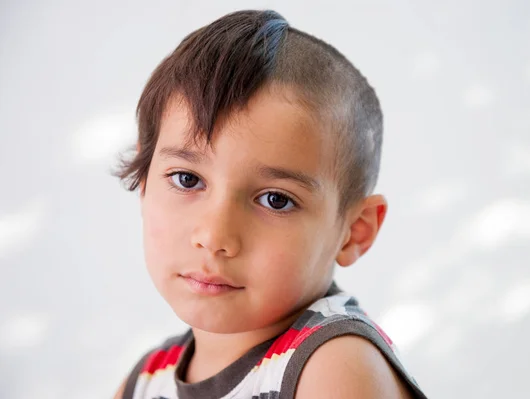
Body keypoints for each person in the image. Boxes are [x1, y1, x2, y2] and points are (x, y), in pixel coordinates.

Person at [113, 9, 427, 399]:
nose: (214, 236)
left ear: (353, 232)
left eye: (276, 200)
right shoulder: (145, 380)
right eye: (187, 179)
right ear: (144, 184)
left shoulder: (333, 365)